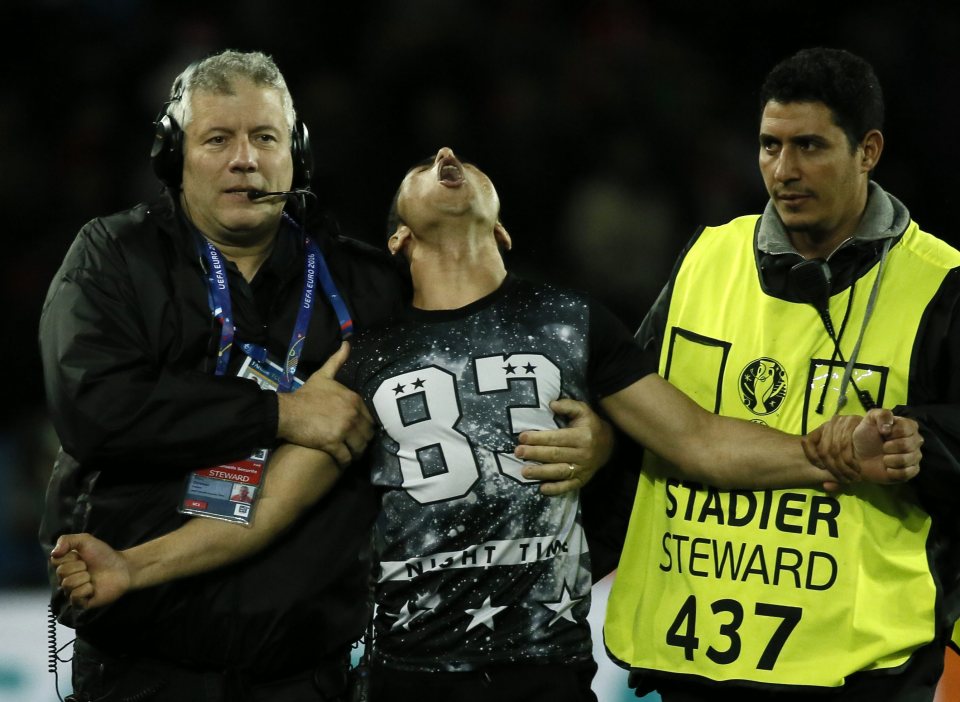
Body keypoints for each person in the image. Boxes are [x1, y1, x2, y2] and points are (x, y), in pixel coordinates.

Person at [51, 147, 922, 702]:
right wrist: (131, 565)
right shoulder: (363, 357)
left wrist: (830, 455)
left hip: (545, 674)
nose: (445, 153)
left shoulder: (574, 320)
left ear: (500, 224)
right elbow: (268, 507)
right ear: (397, 238)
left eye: (463, 159)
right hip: (407, 681)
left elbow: (695, 437)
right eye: (422, 165)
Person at [38, 51, 609, 702]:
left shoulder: (364, 284)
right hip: (139, 666)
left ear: (296, 152)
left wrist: (593, 440)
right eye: (217, 139)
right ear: (176, 154)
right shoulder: (113, 259)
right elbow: (93, 409)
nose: (244, 159)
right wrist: (282, 413)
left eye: (264, 138)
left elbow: (479, 365)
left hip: (306, 673)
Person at [603, 47, 960, 702]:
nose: (783, 170)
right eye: (770, 146)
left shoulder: (941, 282)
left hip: (860, 672)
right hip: (698, 658)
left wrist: (921, 443)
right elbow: (635, 405)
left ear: (868, 150)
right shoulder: (707, 257)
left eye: (809, 147)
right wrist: (593, 440)